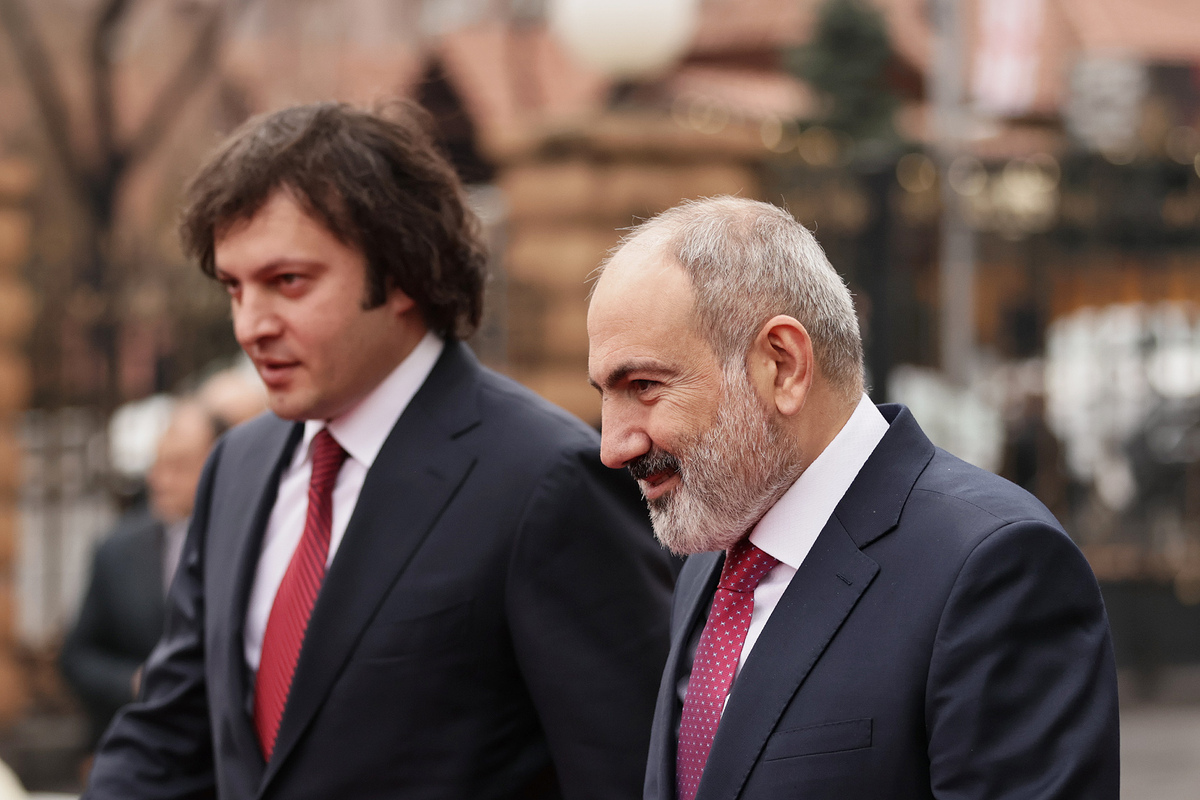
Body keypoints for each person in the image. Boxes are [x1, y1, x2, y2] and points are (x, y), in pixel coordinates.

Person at [83, 101, 673, 800]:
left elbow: (625, 770)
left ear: (401, 275)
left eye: (288, 282)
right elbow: (171, 733)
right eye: (235, 287)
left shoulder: (545, 480)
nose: (250, 325)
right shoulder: (236, 465)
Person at [586, 196, 1119, 800]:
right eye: (605, 393)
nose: (612, 447)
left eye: (644, 385)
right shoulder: (711, 556)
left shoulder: (995, 568)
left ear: (783, 365)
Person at [61, 399, 220, 748]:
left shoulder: (243, 541)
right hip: (141, 742)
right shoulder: (117, 550)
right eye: (157, 464)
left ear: (217, 465)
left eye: (179, 465)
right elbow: (77, 657)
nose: (160, 480)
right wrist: (134, 681)